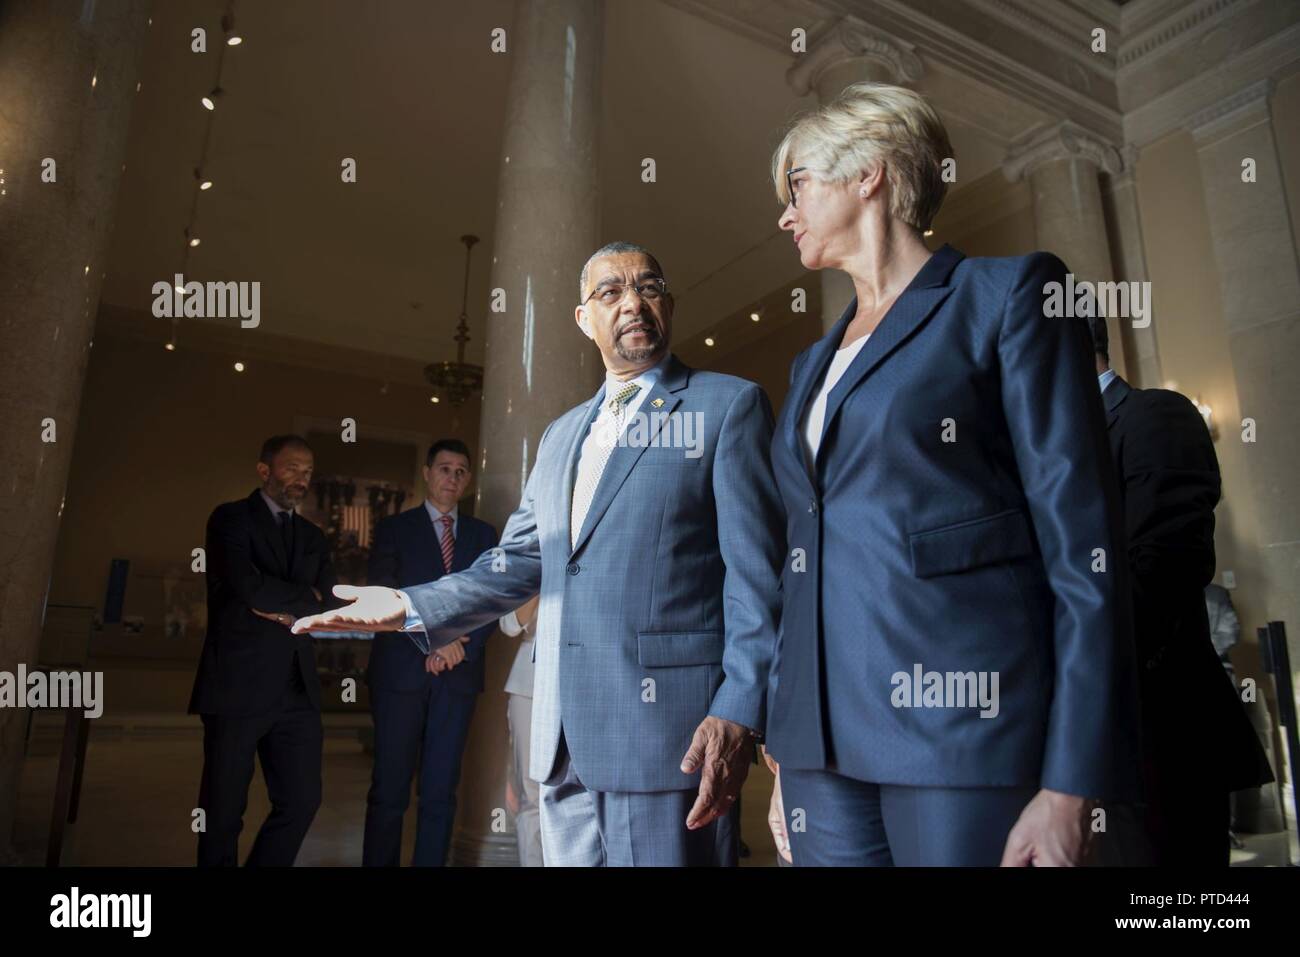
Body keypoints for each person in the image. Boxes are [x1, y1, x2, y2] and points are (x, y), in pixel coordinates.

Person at [293, 242, 784, 867]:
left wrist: (738, 709)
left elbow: (756, 577)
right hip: (559, 742)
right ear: (584, 319)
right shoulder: (559, 435)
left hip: (667, 738)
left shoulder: (727, 406)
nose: (632, 302)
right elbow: (518, 561)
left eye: (649, 286)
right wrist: (409, 605)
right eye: (610, 292)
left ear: (668, 303)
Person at [765, 81, 1140, 866]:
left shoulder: (1009, 297)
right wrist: (788, 743)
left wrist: (1071, 782)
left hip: (962, 734)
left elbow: (1085, 554)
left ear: (866, 172)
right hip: (818, 757)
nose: (784, 213)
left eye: (796, 184)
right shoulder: (806, 365)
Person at [1090, 317, 1273, 865]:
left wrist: (1078, 680)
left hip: (1161, 737)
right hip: (1086, 756)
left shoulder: (1153, 416)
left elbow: (1164, 568)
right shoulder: (1051, 446)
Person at [189, 434, 341, 866]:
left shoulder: (313, 536)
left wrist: (280, 602)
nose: (301, 478)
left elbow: (328, 599)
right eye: (292, 468)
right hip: (236, 686)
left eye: (308, 471)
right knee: (221, 814)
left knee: (302, 802)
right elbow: (246, 586)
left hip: (297, 691)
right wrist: (301, 597)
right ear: (264, 470)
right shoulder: (230, 519)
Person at [362, 439, 499, 867]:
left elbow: (492, 600)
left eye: (461, 471)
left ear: (468, 479)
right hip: (400, 676)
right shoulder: (393, 529)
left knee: (440, 790)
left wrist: (460, 645)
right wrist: (433, 640)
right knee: (390, 788)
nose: (452, 478)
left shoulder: (483, 535)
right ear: (426, 473)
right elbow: (384, 599)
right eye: (444, 468)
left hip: (456, 677)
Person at [500, 595, 542, 867]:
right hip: (531, 682)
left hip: (603, 675)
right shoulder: (525, 550)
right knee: (532, 798)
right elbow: (510, 624)